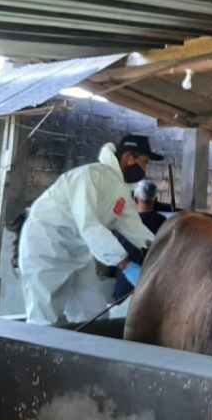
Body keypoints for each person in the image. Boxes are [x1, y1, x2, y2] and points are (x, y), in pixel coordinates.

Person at [18, 135, 161, 325]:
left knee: (93, 316)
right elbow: (88, 224)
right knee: (44, 319)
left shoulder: (121, 190)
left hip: (78, 252)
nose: (145, 169)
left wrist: (160, 249)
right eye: (144, 162)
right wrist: (125, 264)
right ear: (129, 158)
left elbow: (132, 226)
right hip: (47, 247)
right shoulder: (91, 176)